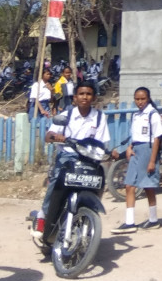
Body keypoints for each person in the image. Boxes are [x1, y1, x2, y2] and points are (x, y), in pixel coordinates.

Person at [34, 80, 111, 250]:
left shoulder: (99, 117)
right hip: (67, 158)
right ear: (75, 97)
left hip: (89, 159)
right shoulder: (67, 115)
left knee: (98, 182)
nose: (85, 97)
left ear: (94, 97)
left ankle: (88, 215)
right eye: (81, 94)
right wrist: (57, 137)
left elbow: (102, 142)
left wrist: (110, 152)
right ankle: (42, 217)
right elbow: (48, 136)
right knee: (54, 184)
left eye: (88, 94)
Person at [112, 86, 162, 234]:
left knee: (148, 186)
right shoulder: (135, 115)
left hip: (148, 150)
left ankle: (153, 219)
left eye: (143, 99)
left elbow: (157, 138)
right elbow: (134, 135)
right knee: (129, 185)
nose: (140, 102)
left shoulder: (153, 114)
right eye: (137, 99)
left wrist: (152, 161)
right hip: (136, 150)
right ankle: (129, 222)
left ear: (148, 99)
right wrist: (130, 147)